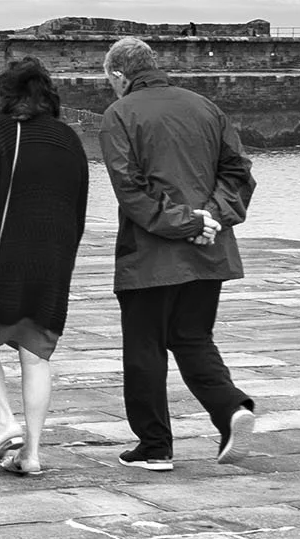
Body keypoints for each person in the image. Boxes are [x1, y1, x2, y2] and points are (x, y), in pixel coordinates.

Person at [99, 36, 258, 472]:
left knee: (144, 346)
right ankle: (230, 411)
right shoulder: (206, 108)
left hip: (150, 256)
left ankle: (154, 446)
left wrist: (187, 222)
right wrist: (212, 218)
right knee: (192, 337)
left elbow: (130, 189)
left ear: (118, 75)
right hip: (209, 251)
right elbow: (239, 173)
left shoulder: (119, 114)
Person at [0, 56, 90, 477]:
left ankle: (4, 420)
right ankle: (31, 454)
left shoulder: (1, 130)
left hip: (3, 254)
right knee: (36, 357)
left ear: (7, 95)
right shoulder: (69, 138)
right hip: (53, 259)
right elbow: (79, 207)